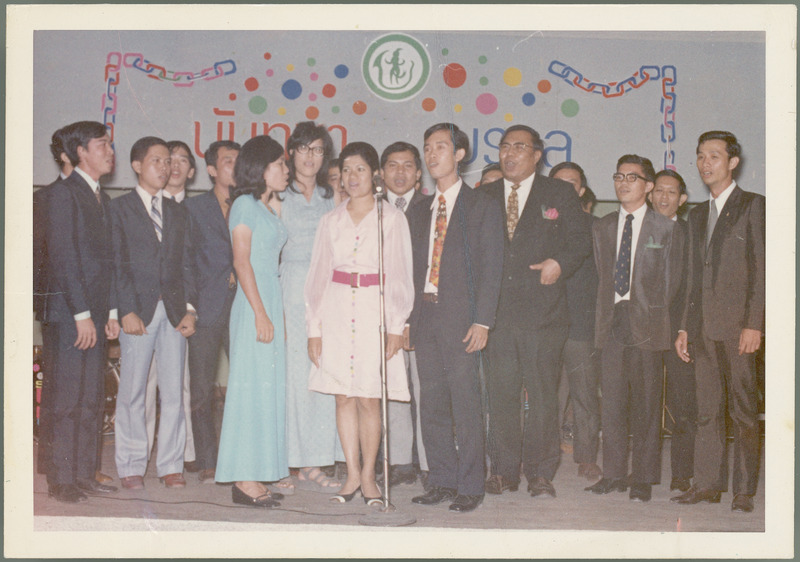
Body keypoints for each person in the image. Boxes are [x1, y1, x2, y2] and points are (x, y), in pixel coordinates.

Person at [480, 126, 591, 499]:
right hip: (497, 316)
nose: (509, 154)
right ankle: (504, 471)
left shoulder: (558, 192)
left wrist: (560, 262)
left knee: (544, 397)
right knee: (502, 395)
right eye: (504, 147)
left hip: (544, 314)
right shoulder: (485, 194)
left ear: (537, 154)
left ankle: (541, 474)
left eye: (519, 147)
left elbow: (580, 242)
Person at [305, 141, 414, 507]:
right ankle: (351, 473)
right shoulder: (330, 220)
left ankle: (369, 476)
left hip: (374, 312)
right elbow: (317, 277)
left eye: (361, 170)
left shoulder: (392, 218)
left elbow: (400, 275)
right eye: (346, 170)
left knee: (369, 397)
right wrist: (314, 329)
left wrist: (397, 324)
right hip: (336, 309)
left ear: (375, 175)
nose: (352, 177)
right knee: (343, 396)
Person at [407, 123, 504, 513]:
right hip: (425, 317)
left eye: (441, 147)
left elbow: (491, 266)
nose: (432, 155)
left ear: (460, 154)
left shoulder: (481, 205)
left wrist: (482, 320)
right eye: (427, 148)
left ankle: (470, 484)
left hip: (462, 319)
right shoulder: (419, 208)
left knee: (465, 403)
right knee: (431, 402)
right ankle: (441, 479)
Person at [672, 131, 764, 514]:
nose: (705, 163)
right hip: (703, 330)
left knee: (743, 410)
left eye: (714, 155)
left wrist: (754, 324)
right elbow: (692, 277)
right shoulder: (695, 214)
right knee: (706, 411)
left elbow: (762, 270)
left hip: (738, 328)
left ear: (732, 162)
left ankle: (743, 491)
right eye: (700, 156)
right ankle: (707, 484)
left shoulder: (753, 206)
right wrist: (684, 327)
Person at [586, 154, 684, 503]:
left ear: (648, 186)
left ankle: (643, 477)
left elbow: (673, 284)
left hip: (648, 324)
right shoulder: (602, 226)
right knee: (611, 402)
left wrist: (656, 317)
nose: (623, 182)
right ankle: (612, 473)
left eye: (632, 176)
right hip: (611, 323)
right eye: (618, 176)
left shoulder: (667, 228)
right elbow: (601, 277)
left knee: (646, 404)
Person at [111, 136, 197, 490]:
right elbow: (116, 263)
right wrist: (125, 310)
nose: (166, 168)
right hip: (139, 314)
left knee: (174, 392)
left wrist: (190, 310)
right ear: (136, 166)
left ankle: (170, 465)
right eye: (157, 161)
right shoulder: (118, 209)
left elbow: (188, 264)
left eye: (169, 162)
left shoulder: (179, 211)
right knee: (132, 391)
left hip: (175, 313)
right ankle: (131, 464)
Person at [43, 120, 120, 502]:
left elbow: (106, 264)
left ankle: (83, 472)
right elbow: (64, 258)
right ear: (80, 153)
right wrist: (81, 314)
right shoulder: (61, 195)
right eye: (101, 145)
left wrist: (110, 312)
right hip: (70, 315)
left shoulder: (100, 197)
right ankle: (61, 478)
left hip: (94, 312)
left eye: (109, 144)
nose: (110, 151)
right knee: (67, 398)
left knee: (91, 397)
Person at [214, 135, 290, 508]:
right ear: (261, 168)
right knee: (249, 391)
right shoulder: (243, 204)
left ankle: (255, 472)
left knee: (266, 391)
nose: (287, 171)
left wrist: (275, 314)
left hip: (269, 302)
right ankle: (243, 479)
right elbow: (241, 262)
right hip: (252, 305)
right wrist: (260, 312)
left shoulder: (265, 208)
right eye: (281, 164)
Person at [281, 121, 342, 494]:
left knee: (321, 377)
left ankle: (315, 461)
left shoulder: (331, 196)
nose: (310, 157)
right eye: (303, 149)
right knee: (290, 380)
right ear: (291, 153)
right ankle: (287, 460)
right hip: (288, 288)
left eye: (318, 150)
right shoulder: (278, 195)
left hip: (326, 292)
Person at [183, 140, 240, 484]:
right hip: (206, 308)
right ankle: (208, 459)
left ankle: (243, 458)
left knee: (247, 385)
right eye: (228, 161)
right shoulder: (194, 208)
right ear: (212, 170)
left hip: (245, 307)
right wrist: (190, 307)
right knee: (203, 388)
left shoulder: (253, 204)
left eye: (239, 160)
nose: (235, 166)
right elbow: (186, 262)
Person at [143, 140, 197, 473]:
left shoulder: (192, 210)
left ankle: (182, 456)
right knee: (145, 386)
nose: (173, 166)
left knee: (181, 386)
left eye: (181, 160)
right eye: (167, 159)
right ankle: (142, 456)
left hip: (182, 311)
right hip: (148, 309)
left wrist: (191, 308)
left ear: (191, 172)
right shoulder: (141, 205)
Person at [379, 141, 428, 487]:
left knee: (427, 393)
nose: (400, 173)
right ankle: (399, 462)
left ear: (418, 173)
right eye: (393, 166)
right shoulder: (369, 209)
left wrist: (412, 319)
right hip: (382, 316)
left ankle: (428, 463)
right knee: (392, 389)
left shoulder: (433, 207)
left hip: (425, 317)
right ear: (381, 173)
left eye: (408, 166)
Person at [549, 161, 602, 482]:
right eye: (559, 184)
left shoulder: (598, 228)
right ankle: (543, 456)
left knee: (584, 395)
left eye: (573, 184)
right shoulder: (536, 226)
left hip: (582, 326)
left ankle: (586, 457)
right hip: (544, 326)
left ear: (581, 191)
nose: (567, 190)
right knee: (547, 395)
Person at [648, 169, 696, 492]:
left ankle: (681, 474)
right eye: (659, 191)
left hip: (680, 331)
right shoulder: (637, 230)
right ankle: (643, 475)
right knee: (645, 404)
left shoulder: (691, 232)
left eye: (671, 192)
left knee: (684, 403)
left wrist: (686, 327)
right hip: (644, 331)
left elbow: (694, 285)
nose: (664, 198)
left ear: (682, 199)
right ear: (651, 194)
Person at [35, 126, 73, 478]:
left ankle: (74, 467)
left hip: (83, 308)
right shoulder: (48, 196)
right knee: (58, 386)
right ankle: (50, 464)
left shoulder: (96, 196)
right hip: (59, 308)